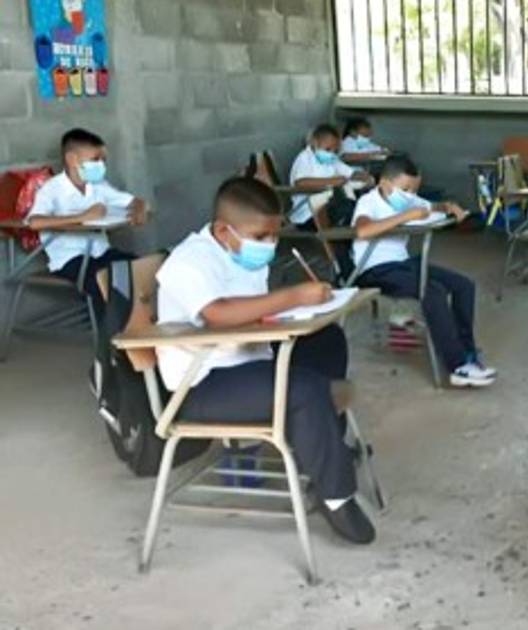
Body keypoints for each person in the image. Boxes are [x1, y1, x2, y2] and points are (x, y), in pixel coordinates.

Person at [155, 176, 375, 544]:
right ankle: (336, 495)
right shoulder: (189, 260)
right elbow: (218, 314)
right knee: (304, 389)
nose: (270, 244)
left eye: (274, 235)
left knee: (328, 340)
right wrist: (293, 298)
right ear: (223, 230)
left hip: (249, 361)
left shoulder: (239, 253)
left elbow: (252, 310)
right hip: (202, 385)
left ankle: (322, 448)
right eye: (261, 236)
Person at [352, 155, 496, 388]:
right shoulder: (369, 202)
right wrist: (406, 216)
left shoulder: (406, 199)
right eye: (405, 189)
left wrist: (447, 206)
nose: (410, 195)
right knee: (432, 291)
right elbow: (363, 231)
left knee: (464, 285)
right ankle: (457, 366)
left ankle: (467, 351)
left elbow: (429, 207)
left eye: (414, 190)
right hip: (374, 269)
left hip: (402, 263)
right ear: (385, 184)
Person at [26, 128, 148, 311]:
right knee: (103, 284)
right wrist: (83, 217)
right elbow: (34, 222)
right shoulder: (52, 189)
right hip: (70, 259)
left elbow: (133, 201)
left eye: (103, 160)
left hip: (101, 252)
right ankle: (111, 327)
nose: (101, 165)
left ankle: (138, 321)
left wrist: (139, 209)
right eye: (95, 160)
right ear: (72, 159)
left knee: (140, 269)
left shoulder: (98, 185)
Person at [288, 123, 374, 228]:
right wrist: (332, 181)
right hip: (308, 213)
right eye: (328, 149)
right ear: (315, 143)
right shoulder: (305, 158)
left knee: (360, 205)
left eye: (335, 150)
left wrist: (366, 177)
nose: (331, 153)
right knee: (349, 208)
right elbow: (300, 183)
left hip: (328, 206)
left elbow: (351, 173)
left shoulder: (332, 159)